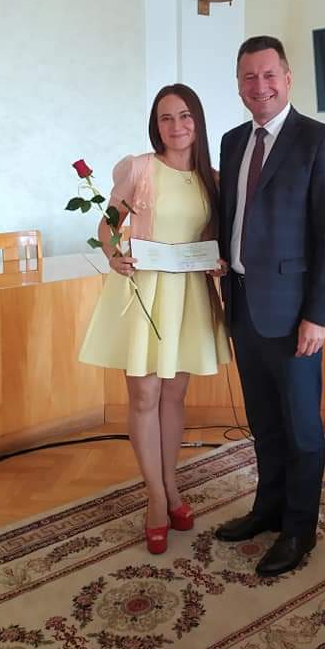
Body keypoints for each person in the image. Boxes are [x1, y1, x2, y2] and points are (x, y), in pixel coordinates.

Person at [215, 36, 325, 576]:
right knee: (264, 422)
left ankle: (299, 529)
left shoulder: (320, 140)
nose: (260, 86)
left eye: (269, 74)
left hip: (295, 316)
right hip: (243, 306)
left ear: (288, 79)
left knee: (301, 430)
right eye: (249, 77)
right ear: (239, 85)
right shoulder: (231, 142)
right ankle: (267, 508)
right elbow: (231, 218)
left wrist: (319, 314)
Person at [79, 84, 230, 554]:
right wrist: (113, 255)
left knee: (174, 395)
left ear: (197, 121)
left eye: (184, 116)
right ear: (156, 125)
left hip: (188, 295)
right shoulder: (140, 169)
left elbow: (214, 240)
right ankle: (157, 498)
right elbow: (108, 223)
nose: (176, 125)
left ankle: (172, 485)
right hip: (144, 290)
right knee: (144, 394)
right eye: (166, 117)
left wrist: (218, 263)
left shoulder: (213, 179)